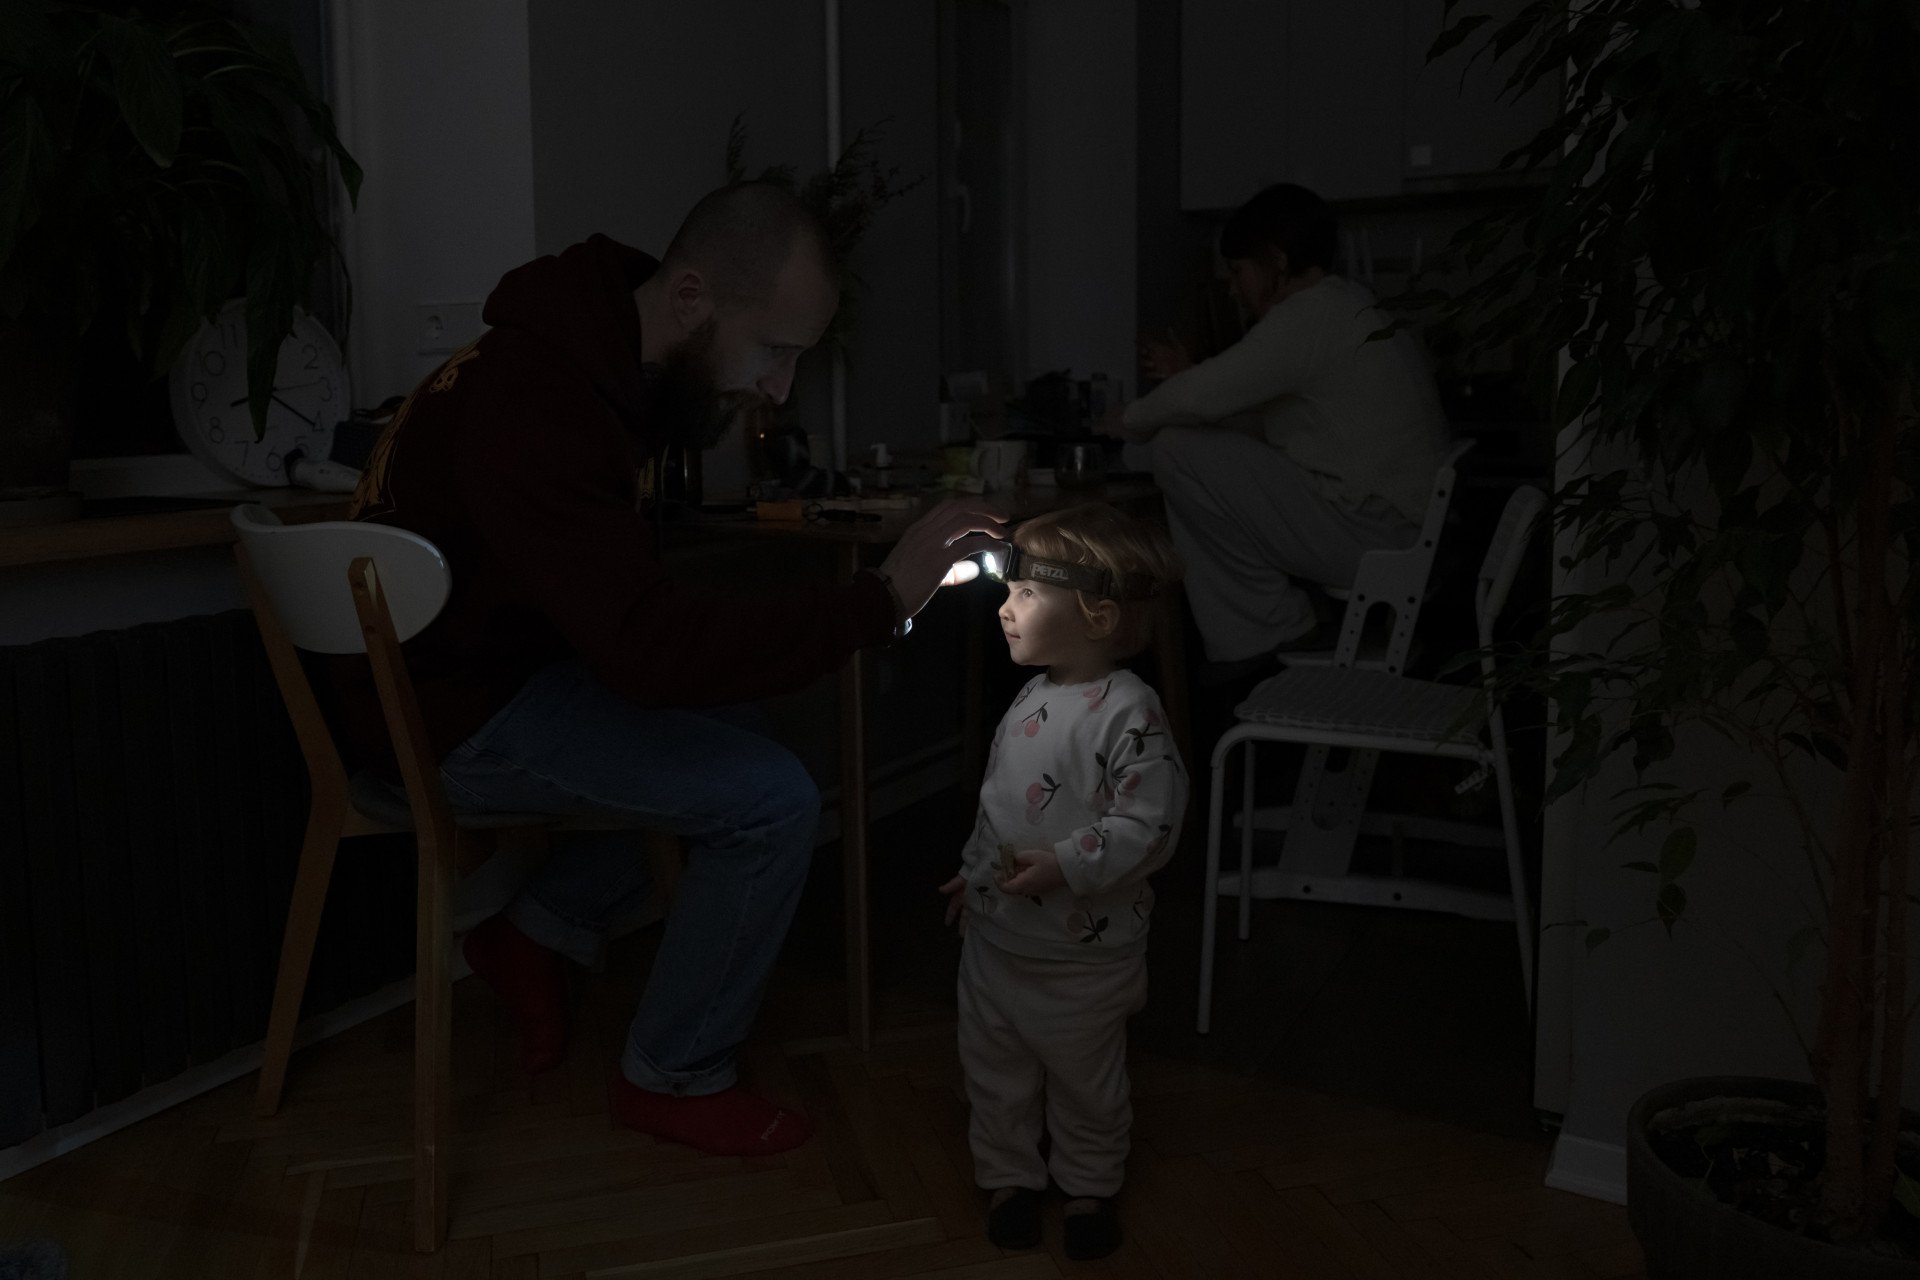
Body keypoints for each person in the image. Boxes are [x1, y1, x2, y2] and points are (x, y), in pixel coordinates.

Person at [339, 182, 1002, 1158]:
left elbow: (630, 621)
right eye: (775, 352)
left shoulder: (591, 362)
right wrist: (880, 598)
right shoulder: (541, 403)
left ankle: (539, 927)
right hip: (436, 716)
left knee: (744, 734)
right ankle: (675, 1072)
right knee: (769, 796)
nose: (779, 389)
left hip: (484, 672)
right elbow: (647, 650)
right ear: (689, 296)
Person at [936, 503, 1187, 1261]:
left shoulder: (1129, 714)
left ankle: (1088, 1187)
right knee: (996, 1073)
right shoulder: (1033, 697)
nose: (1006, 608)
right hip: (998, 945)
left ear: (1099, 615)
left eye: (1026, 595)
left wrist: (1069, 863)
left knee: (1086, 1085)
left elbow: (1149, 823)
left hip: (1083, 961)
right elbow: (1003, 804)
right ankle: (1010, 1177)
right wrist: (975, 874)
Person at [1116, 183, 1449, 679]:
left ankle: (1268, 631)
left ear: (1274, 261)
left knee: (1173, 449)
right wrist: (1191, 386)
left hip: (1379, 537)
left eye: (1238, 271)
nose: (1233, 287)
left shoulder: (1308, 315)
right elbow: (1254, 418)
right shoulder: (1350, 302)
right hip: (1404, 529)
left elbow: (1197, 397)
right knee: (1188, 447)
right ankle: (1261, 630)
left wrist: (1121, 423)